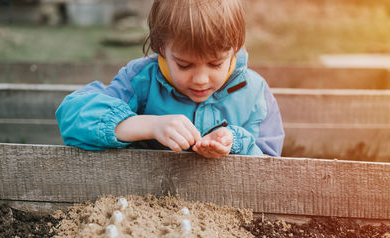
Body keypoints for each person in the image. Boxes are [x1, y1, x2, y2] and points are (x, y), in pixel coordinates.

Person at [56, 0, 285, 158]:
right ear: (161, 48)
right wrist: (149, 125)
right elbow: (73, 114)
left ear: (234, 50)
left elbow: (270, 166)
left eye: (215, 64)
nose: (201, 79)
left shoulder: (254, 93)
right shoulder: (142, 79)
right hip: (145, 204)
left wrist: (235, 142)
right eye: (184, 65)